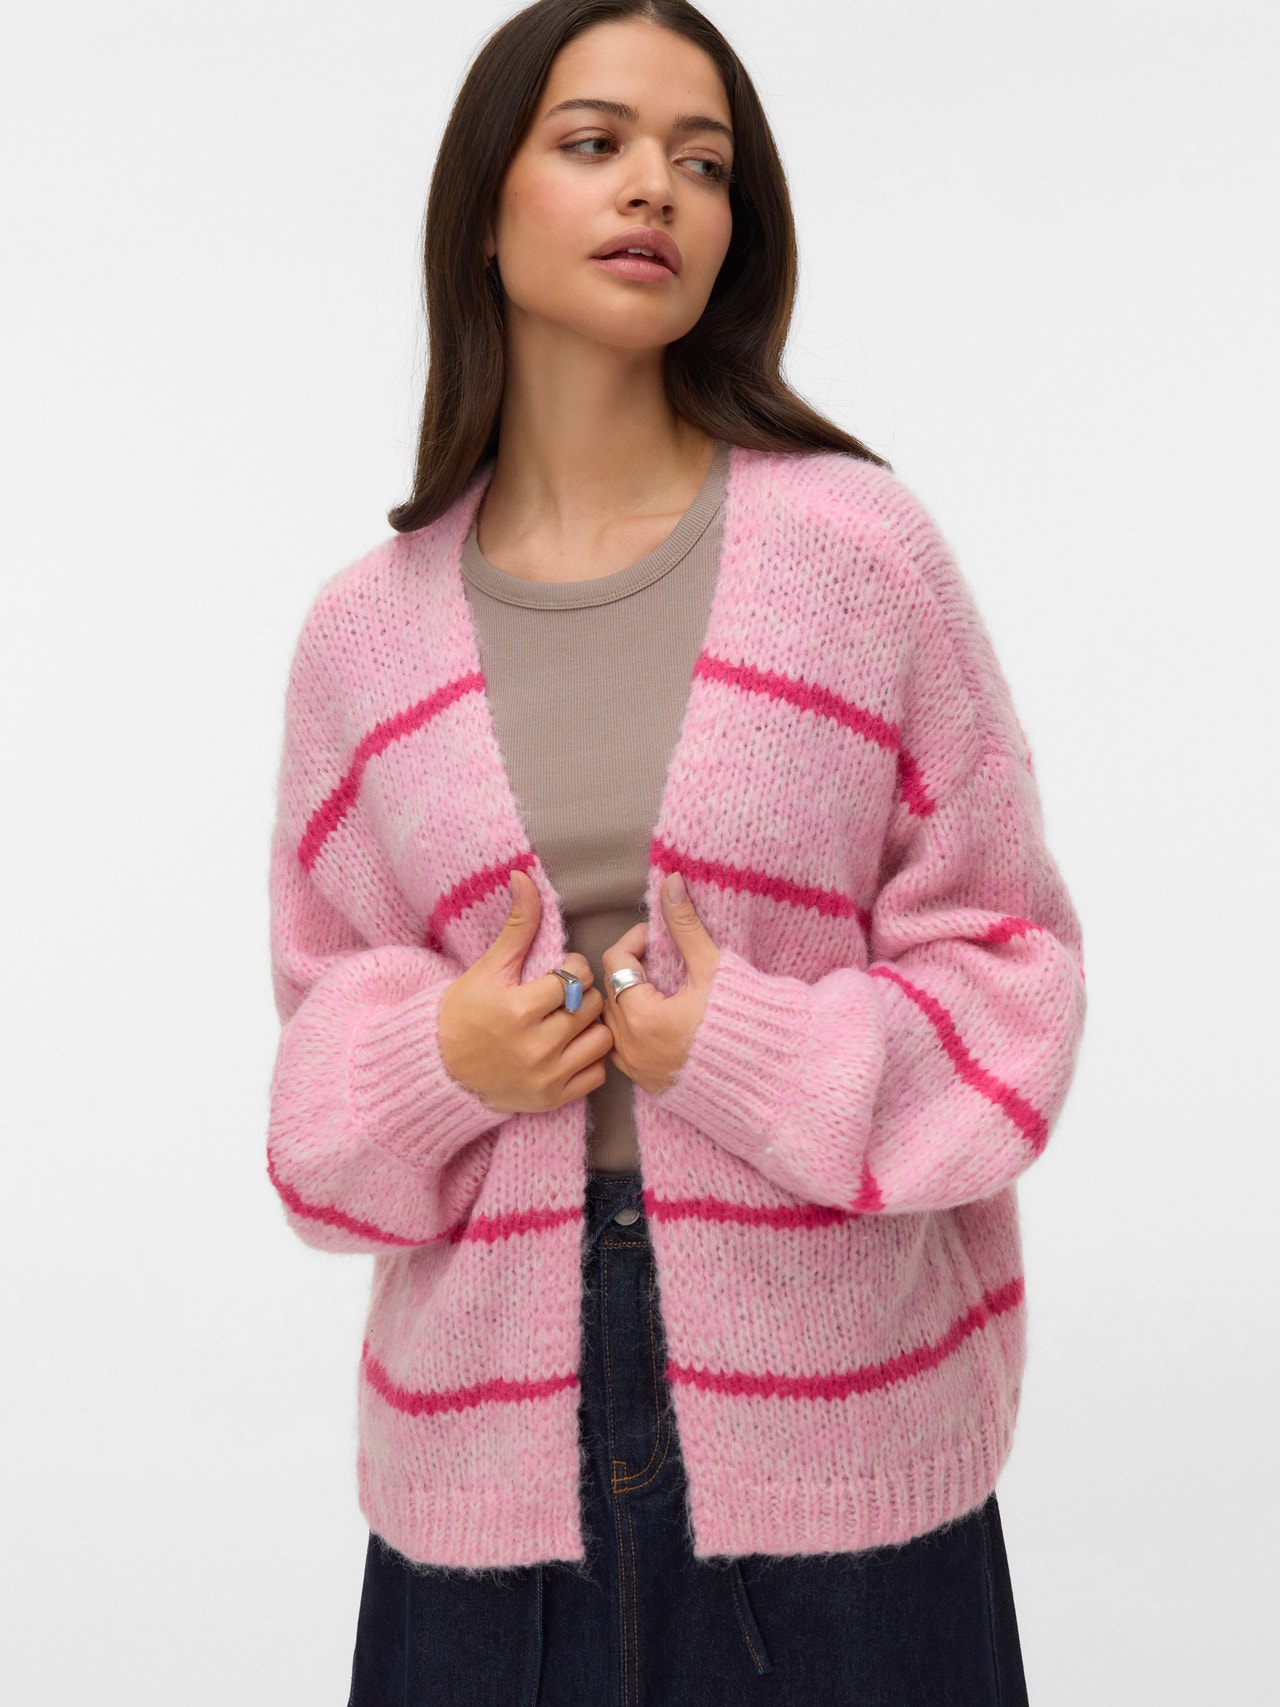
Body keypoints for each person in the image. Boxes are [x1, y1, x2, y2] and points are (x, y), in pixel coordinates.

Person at [265, 1, 1087, 1701]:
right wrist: (447, 1060)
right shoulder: (363, 635)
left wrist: (750, 1050)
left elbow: (1013, 981)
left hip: (847, 1450)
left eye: (702, 165)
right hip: (482, 1477)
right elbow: (319, 1111)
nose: (657, 188)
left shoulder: (860, 553)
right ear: (482, 210)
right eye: (598, 144)